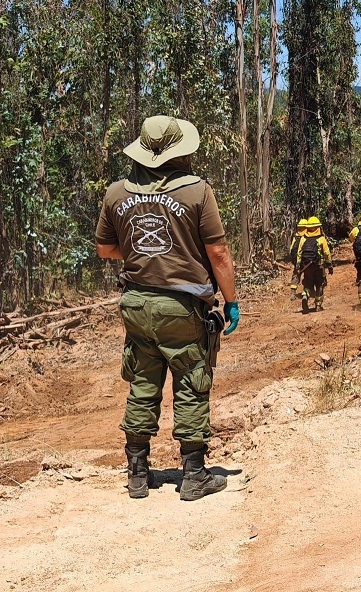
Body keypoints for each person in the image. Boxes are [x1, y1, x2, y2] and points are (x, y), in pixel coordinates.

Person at [95, 115, 239, 502]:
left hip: (137, 303)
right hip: (181, 306)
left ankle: (138, 474)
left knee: (143, 383)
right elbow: (219, 254)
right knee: (192, 381)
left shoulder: (116, 193)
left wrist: (144, 250)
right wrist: (232, 302)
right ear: (180, 153)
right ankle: (193, 475)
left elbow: (106, 249)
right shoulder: (197, 192)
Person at [296, 216, 332, 313]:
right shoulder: (321, 239)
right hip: (318, 266)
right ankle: (318, 305)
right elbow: (327, 253)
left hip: (306, 267)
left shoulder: (303, 239)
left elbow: (299, 253)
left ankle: (305, 296)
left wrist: (298, 266)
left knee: (308, 283)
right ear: (318, 227)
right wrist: (329, 265)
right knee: (319, 284)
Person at [288, 218, 308, 300]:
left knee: (296, 275)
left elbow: (291, 249)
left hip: (296, 261)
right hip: (305, 261)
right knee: (307, 276)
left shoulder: (296, 237)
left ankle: (293, 293)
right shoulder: (307, 237)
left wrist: (294, 261)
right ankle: (305, 293)